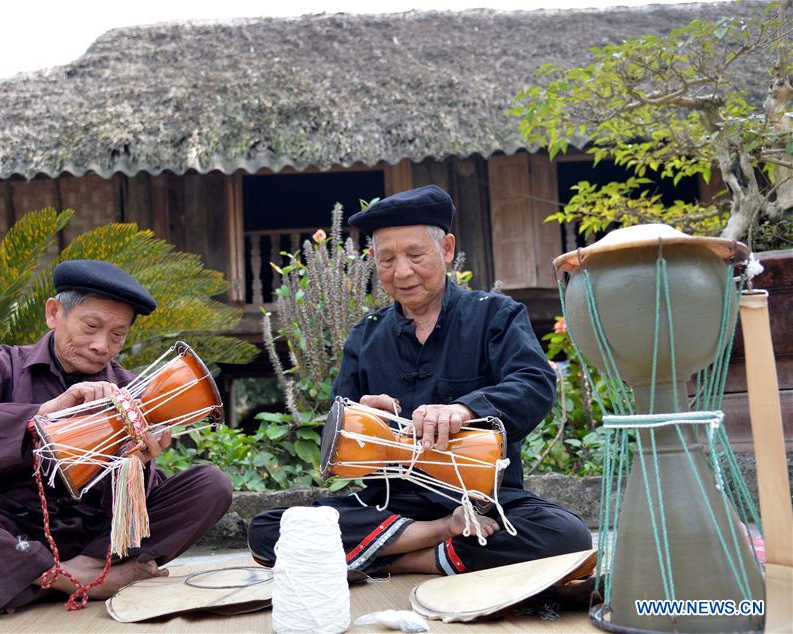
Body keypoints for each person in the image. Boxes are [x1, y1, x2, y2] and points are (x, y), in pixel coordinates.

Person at [248, 185, 591, 576]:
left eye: (415, 255)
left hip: (481, 497)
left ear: (446, 249)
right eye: (387, 259)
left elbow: (534, 382)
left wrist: (464, 409)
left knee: (566, 536)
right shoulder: (365, 335)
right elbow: (338, 435)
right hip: (391, 502)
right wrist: (360, 419)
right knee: (269, 530)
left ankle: (396, 559)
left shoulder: (495, 314)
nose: (402, 272)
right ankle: (438, 536)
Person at [0, 260, 232, 620]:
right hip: (8, 536)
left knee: (211, 484)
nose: (102, 345)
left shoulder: (132, 391)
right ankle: (71, 580)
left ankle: (49, 578)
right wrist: (41, 415)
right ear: (54, 313)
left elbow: (132, 513)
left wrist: (139, 461)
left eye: (118, 335)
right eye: (91, 326)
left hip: (99, 542)